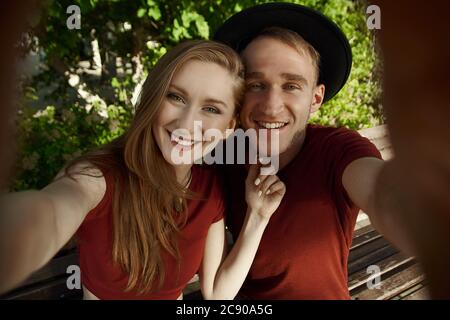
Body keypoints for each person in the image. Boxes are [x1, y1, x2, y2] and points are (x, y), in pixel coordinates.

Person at [0, 40, 286, 299]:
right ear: (153, 99)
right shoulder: (97, 177)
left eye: (211, 109)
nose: (187, 124)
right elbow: (51, 211)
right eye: (176, 97)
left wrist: (258, 217)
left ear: (229, 128)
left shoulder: (208, 189)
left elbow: (216, 295)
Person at [214, 2, 450, 299]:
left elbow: (384, 196)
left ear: (315, 99)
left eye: (291, 86)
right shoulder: (221, 155)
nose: (271, 107)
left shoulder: (338, 150)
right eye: (256, 85)